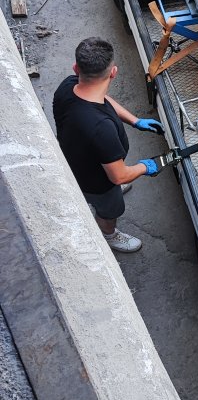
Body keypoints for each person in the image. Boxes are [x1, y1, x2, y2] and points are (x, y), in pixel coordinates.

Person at [53, 37, 164, 254]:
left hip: (76, 160)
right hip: (98, 182)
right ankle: (109, 234)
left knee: (109, 187)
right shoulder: (101, 129)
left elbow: (102, 97)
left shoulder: (68, 86)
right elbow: (119, 176)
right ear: (113, 72)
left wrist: (135, 120)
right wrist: (146, 166)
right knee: (110, 209)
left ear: (76, 68)